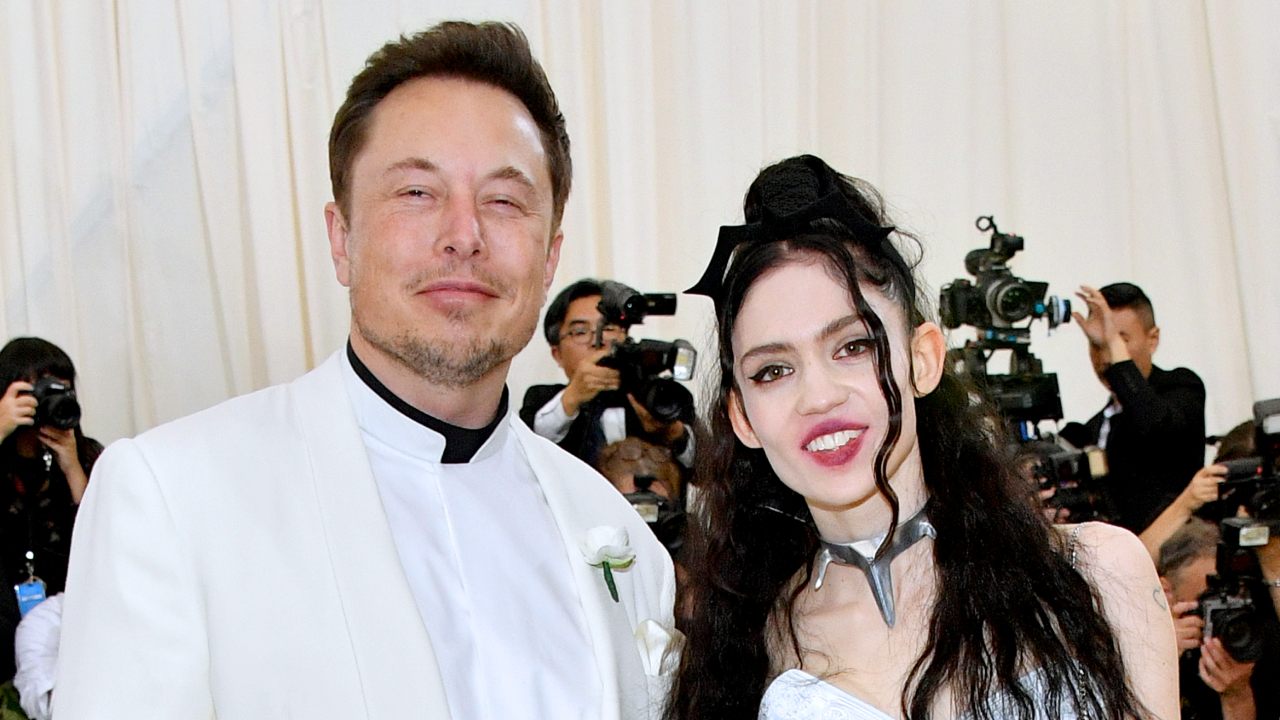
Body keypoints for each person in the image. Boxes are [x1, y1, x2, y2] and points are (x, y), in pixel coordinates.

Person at [55, 21, 675, 720]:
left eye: (503, 200)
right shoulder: (173, 498)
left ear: (549, 256)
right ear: (341, 238)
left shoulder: (619, 538)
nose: (463, 235)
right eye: (416, 192)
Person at [666, 155, 1177, 719]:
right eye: (773, 370)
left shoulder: (1097, 572)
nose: (818, 397)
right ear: (742, 417)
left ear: (924, 360)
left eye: (853, 346)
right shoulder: (746, 650)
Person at [1060, 283, 1206, 533]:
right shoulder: (1096, 426)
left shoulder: (1181, 388)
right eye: (1097, 344)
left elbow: (1154, 424)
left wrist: (1113, 345)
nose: (1106, 356)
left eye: (1120, 340)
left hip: (1173, 551)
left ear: (1152, 339)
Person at [0, 338, 101, 684]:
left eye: (61, 389)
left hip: (70, 625)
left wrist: (72, 465)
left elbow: (109, 537)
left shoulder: (87, 457)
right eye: (38, 389)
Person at [521, 279, 695, 469]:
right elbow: (527, 452)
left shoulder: (660, 398)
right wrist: (573, 397)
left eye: (609, 328)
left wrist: (674, 434)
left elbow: (705, 469)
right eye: (580, 331)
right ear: (557, 354)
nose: (598, 341)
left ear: (625, 337)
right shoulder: (542, 400)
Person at [1158, 520, 1279, 720]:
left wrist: (1237, 697)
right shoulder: (1138, 649)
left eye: (1233, 598)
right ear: (1166, 592)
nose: (1225, 613)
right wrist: (1162, 660)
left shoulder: (1258, 645)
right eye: (1210, 599)